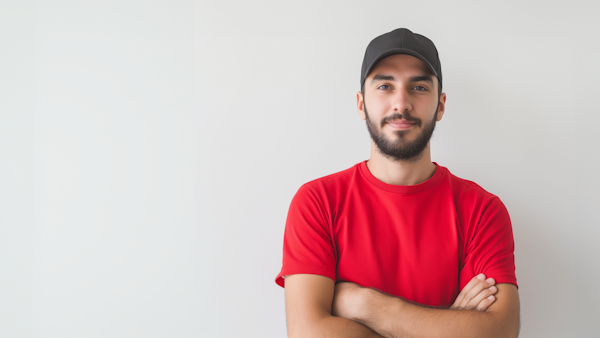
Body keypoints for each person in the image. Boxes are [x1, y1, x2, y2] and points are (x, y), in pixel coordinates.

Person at [275, 28, 520, 338]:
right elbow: (309, 332)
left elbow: (499, 331)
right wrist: (448, 324)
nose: (401, 103)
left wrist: (367, 305)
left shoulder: (482, 210)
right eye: (385, 85)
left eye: (418, 87)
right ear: (361, 103)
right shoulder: (317, 202)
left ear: (440, 105)